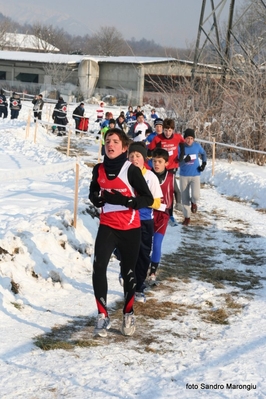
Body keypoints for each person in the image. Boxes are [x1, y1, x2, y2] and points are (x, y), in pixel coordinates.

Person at [89, 128, 153, 337]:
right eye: (108, 141)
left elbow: (147, 199)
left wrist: (127, 201)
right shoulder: (98, 169)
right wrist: (95, 198)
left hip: (130, 228)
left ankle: (128, 313)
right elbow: (93, 190)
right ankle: (102, 315)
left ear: (124, 147)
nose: (110, 144)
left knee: (128, 272)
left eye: (115, 141)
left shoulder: (131, 170)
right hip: (107, 225)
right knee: (99, 267)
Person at [127, 142, 162, 303]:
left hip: (144, 220)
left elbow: (156, 202)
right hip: (125, 220)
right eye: (131, 156)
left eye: (138, 156)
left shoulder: (150, 177)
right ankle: (126, 275)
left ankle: (139, 287)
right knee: (125, 253)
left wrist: (138, 201)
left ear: (144, 159)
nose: (134, 159)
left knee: (142, 256)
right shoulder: (123, 174)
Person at [148, 148, 179, 285]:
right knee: (145, 244)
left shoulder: (171, 177)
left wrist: (178, 207)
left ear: (166, 163)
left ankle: (153, 272)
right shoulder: (148, 175)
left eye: (160, 161)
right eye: (154, 161)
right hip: (147, 213)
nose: (156, 164)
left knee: (157, 244)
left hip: (163, 215)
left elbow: (177, 192)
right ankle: (143, 266)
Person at [148, 118, 184, 225]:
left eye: (170, 131)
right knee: (157, 189)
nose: (167, 133)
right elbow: (150, 150)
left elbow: (182, 144)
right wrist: (155, 152)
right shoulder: (157, 138)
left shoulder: (178, 137)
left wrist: (181, 156)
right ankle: (155, 210)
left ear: (173, 130)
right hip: (159, 168)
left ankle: (170, 215)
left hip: (171, 167)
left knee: (170, 190)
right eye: (165, 130)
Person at [178, 128, 207, 226]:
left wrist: (203, 164)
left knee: (196, 195)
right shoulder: (181, 147)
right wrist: (185, 160)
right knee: (185, 198)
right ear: (184, 138)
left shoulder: (197, 146)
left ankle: (194, 203)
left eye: (191, 138)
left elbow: (203, 154)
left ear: (194, 139)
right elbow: (177, 162)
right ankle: (187, 218)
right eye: (187, 138)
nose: (189, 140)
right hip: (184, 175)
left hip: (195, 174)